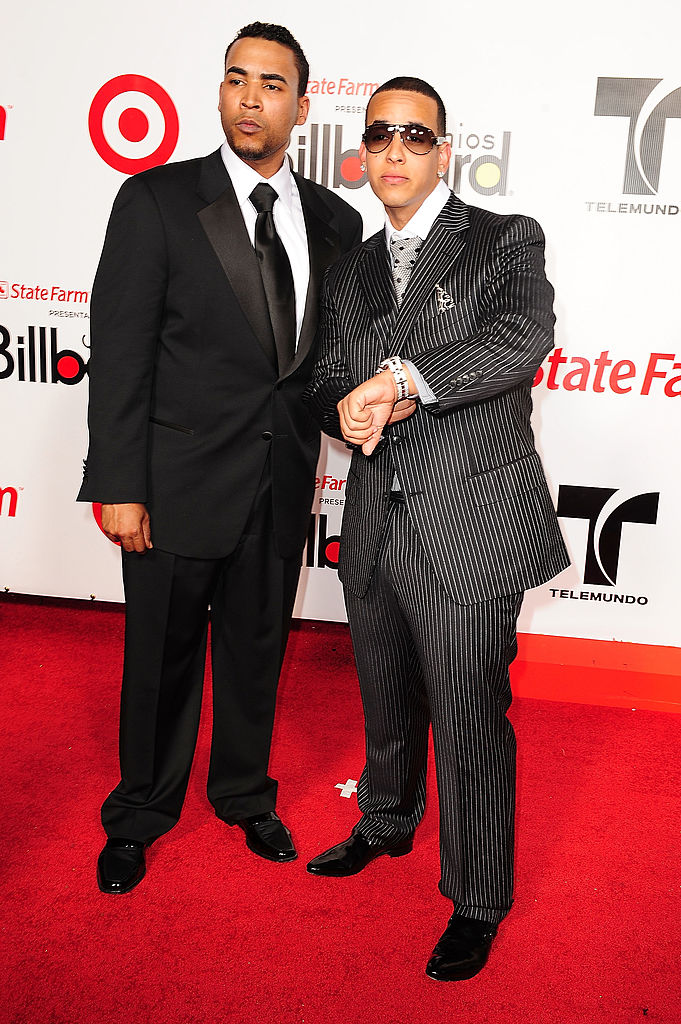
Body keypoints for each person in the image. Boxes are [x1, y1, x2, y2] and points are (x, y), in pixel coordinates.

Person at [78, 22, 362, 895]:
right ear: (219, 92)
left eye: (271, 84)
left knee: (255, 652)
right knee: (159, 656)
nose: (250, 97)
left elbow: (323, 363)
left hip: (278, 487)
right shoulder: (157, 199)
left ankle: (244, 793)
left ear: (301, 106)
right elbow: (121, 350)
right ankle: (141, 811)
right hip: (173, 485)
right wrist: (120, 483)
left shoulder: (334, 219)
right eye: (236, 78)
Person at [303, 77, 569, 980]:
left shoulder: (503, 238)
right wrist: (348, 411)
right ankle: (385, 820)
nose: (395, 150)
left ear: (446, 150)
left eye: (415, 134)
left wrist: (404, 382)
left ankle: (479, 897)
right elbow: (324, 380)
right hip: (376, 516)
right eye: (379, 135)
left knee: (468, 719)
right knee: (384, 696)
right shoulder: (351, 267)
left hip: (468, 521)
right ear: (364, 152)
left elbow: (522, 338)